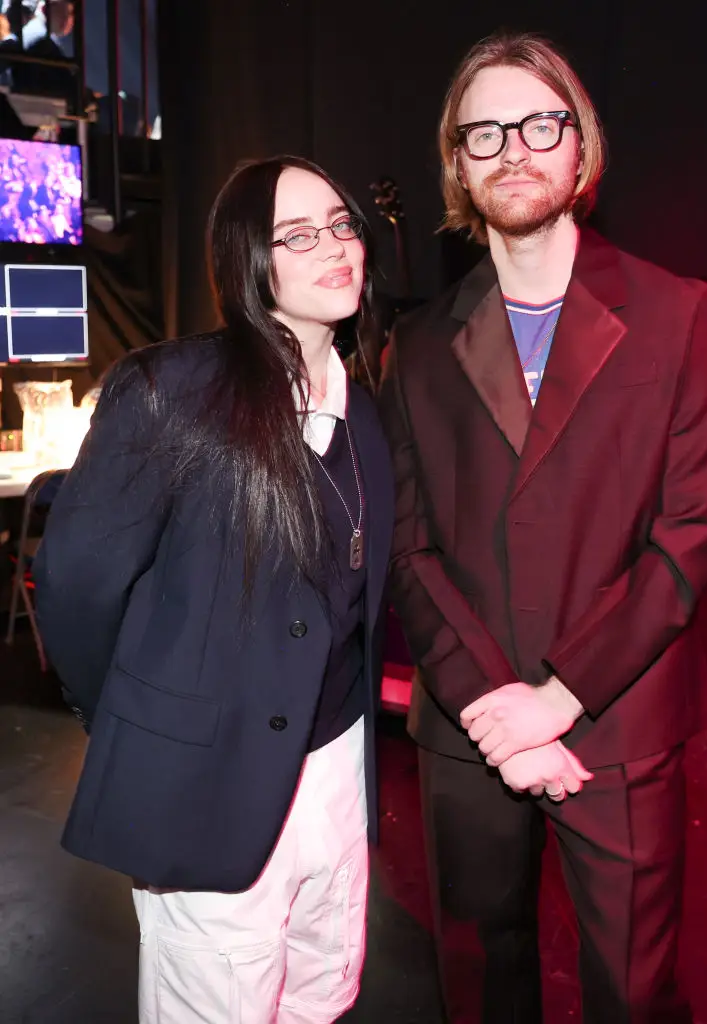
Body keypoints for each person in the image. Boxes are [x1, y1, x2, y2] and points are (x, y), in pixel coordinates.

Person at [378, 31, 707, 1024]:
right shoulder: (412, 346)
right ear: (456, 163)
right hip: (468, 725)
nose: (513, 149)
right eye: (482, 132)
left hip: (616, 723)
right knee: (479, 988)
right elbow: (410, 546)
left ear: (581, 148)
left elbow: (691, 534)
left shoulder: (679, 315)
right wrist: (499, 704)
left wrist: (561, 696)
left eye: (539, 123)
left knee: (636, 994)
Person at [34, 155, 394, 1024]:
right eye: (297, 235)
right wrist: (142, 721)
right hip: (206, 782)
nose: (334, 247)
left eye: (341, 225)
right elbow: (77, 588)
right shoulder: (174, 390)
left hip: (337, 766)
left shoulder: (369, 401)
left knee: (321, 988)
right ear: (246, 260)